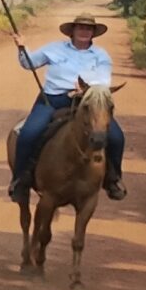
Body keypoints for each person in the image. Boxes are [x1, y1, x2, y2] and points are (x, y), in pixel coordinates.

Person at [11, 13, 124, 200]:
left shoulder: (101, 55)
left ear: (93, 33)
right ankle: (20, 180)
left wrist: (86, 87)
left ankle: (113, 179)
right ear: (72, 30)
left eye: (88, 29)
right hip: (53, 100)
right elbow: (28, 64)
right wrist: (22, 47)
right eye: (80, 27)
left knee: (116, 137)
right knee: (29, 133)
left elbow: (104, 80)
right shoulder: (54, 49)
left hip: (88, 101)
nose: (84, 31)